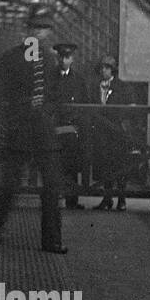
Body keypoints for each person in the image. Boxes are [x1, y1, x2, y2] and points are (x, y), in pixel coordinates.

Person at [0, 5, 66, 254]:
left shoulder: (50, 59)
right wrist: (18, 111)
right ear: (29, 29)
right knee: (9, 186)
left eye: (45, 29)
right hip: (20, 129)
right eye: (37, 28)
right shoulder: (12, 58)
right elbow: (1, 96)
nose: (41, 33)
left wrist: (46, 109)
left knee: (53, 186)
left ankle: (52, 241)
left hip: (43, 130)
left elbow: (54, 94)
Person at [90, 55, 133, 211]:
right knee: (105, 165)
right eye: (102, 68)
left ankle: (122, 200)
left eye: (107, 68)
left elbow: (129, 109)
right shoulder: (96, 86)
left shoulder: (123, 87)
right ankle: (107, 198)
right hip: (102, 132)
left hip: (117, 132)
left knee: (120, 165)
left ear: (113, 70)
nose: (104, 71)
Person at [53, 42, 91, 209]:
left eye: (67, 57)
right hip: (54, 127)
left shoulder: (79, 80)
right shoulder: (50, 77)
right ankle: (53, 199)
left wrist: (79, 125)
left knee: (72, 165)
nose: (63, 60)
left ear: (72, 59)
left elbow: (85, 104)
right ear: (57, 57)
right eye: (61, 56)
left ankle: (72, 200)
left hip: (72, 129)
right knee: (54, 164)